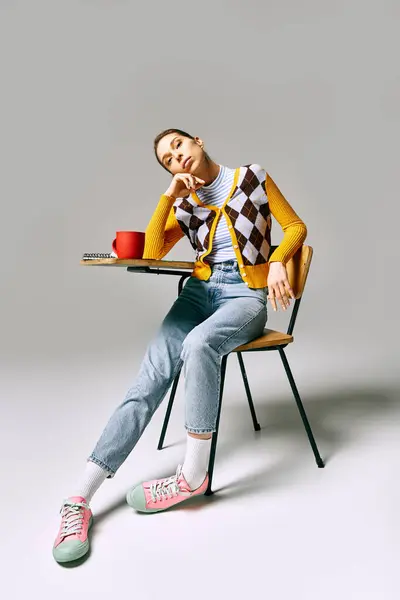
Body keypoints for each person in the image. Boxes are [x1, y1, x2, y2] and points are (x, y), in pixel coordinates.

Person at [52, 128, 307, 563]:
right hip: (198, 294)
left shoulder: (252, 177)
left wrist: (280, 261)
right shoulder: (185, 202)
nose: (177, 158)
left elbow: (295, 227)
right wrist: (168, 196)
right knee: (150, 376)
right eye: (168, 160)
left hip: (244, 297)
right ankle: (78, 500)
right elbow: (150, 251)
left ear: (199, 142)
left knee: (201, 343)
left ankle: (192, 476)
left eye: (179, 146)